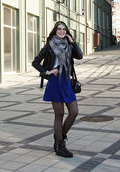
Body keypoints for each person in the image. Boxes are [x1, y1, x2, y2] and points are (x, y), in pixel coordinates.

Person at [32, 21, 83, 158]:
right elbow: (35, 62)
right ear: (55, 31)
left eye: (64, 29)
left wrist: (73, 42)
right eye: (59, 29)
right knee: (59, 114)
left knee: (74, 112)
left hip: (66, 81)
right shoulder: (49, 45)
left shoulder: (68, 45)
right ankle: (60, 146)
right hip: (55, 82)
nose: (61, 31)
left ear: (66, 31)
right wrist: (46, 71)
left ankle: (59, 136)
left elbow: (80, 56)